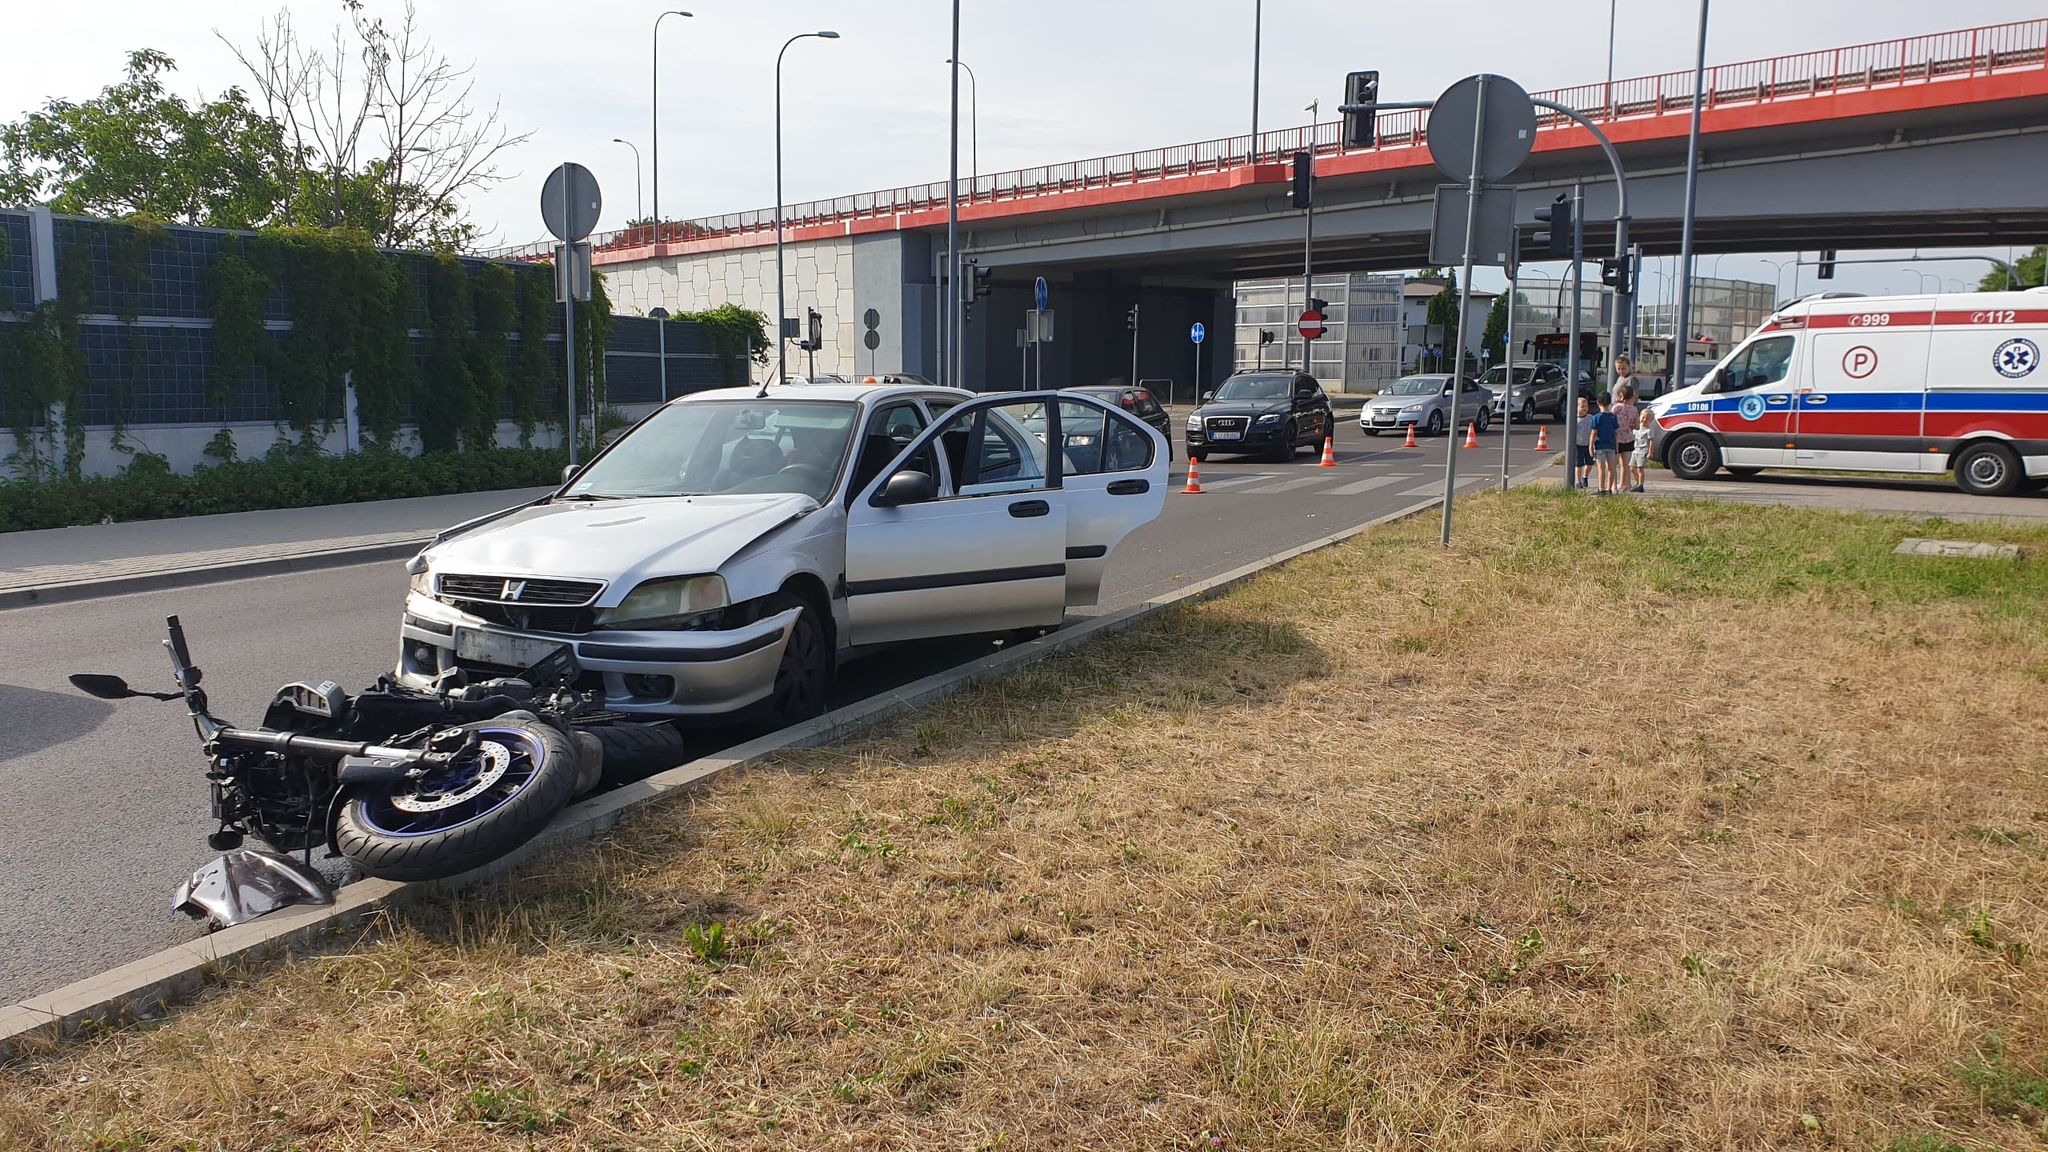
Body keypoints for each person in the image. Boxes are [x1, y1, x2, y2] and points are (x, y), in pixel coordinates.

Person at [1588, 393, 1620, 495]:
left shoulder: (1596, 418)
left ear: (1598, 403)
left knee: (1601, 468)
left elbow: (1594, 433)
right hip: (1611, 446)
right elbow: (1616, 434)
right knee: (1611, 468)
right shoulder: (1613, 417)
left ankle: (1601, 489)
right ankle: (1609, 489)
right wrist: (1617, 448)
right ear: (1610, 403)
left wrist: (1590, 446)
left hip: (1600, 446)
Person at [1611, 383, 1640, 490]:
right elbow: (1637, 425)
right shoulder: (1634, 410)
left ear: (1620, 395)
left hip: (1616, 438)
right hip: (1629, 438)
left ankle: (1613, 484)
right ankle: (1625, 484)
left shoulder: (1616, 408)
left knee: (1613, 464)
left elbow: (1611, 420)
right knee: (1625, 464)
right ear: (1632, 396)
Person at [1628, 404, 1655, 493]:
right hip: (1636, 450)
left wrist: (1650, 452)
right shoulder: (1637, 427)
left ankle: (1640, 485)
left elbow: (1651, 441)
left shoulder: (1649, 430)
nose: (1644, 420)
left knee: (1640, 468)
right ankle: (1638, 482)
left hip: (1643, 450)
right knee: (1632, 468)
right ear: (1640, 417)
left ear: (1650, 421)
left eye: (1647, 419)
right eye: (1643, 417)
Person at [1572, 394, 1595, 489]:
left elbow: (1594, 431)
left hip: (1588, 444)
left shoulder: (1591, 418)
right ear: (1576, 407)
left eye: (1586, 406)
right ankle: (1578, 481)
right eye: (1582, 406)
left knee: (1590, 463)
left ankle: (1585, 476)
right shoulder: (1574, 419)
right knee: (1579, 464)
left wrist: (1594, 443)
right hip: (1577, 445)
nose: (1585, 408)